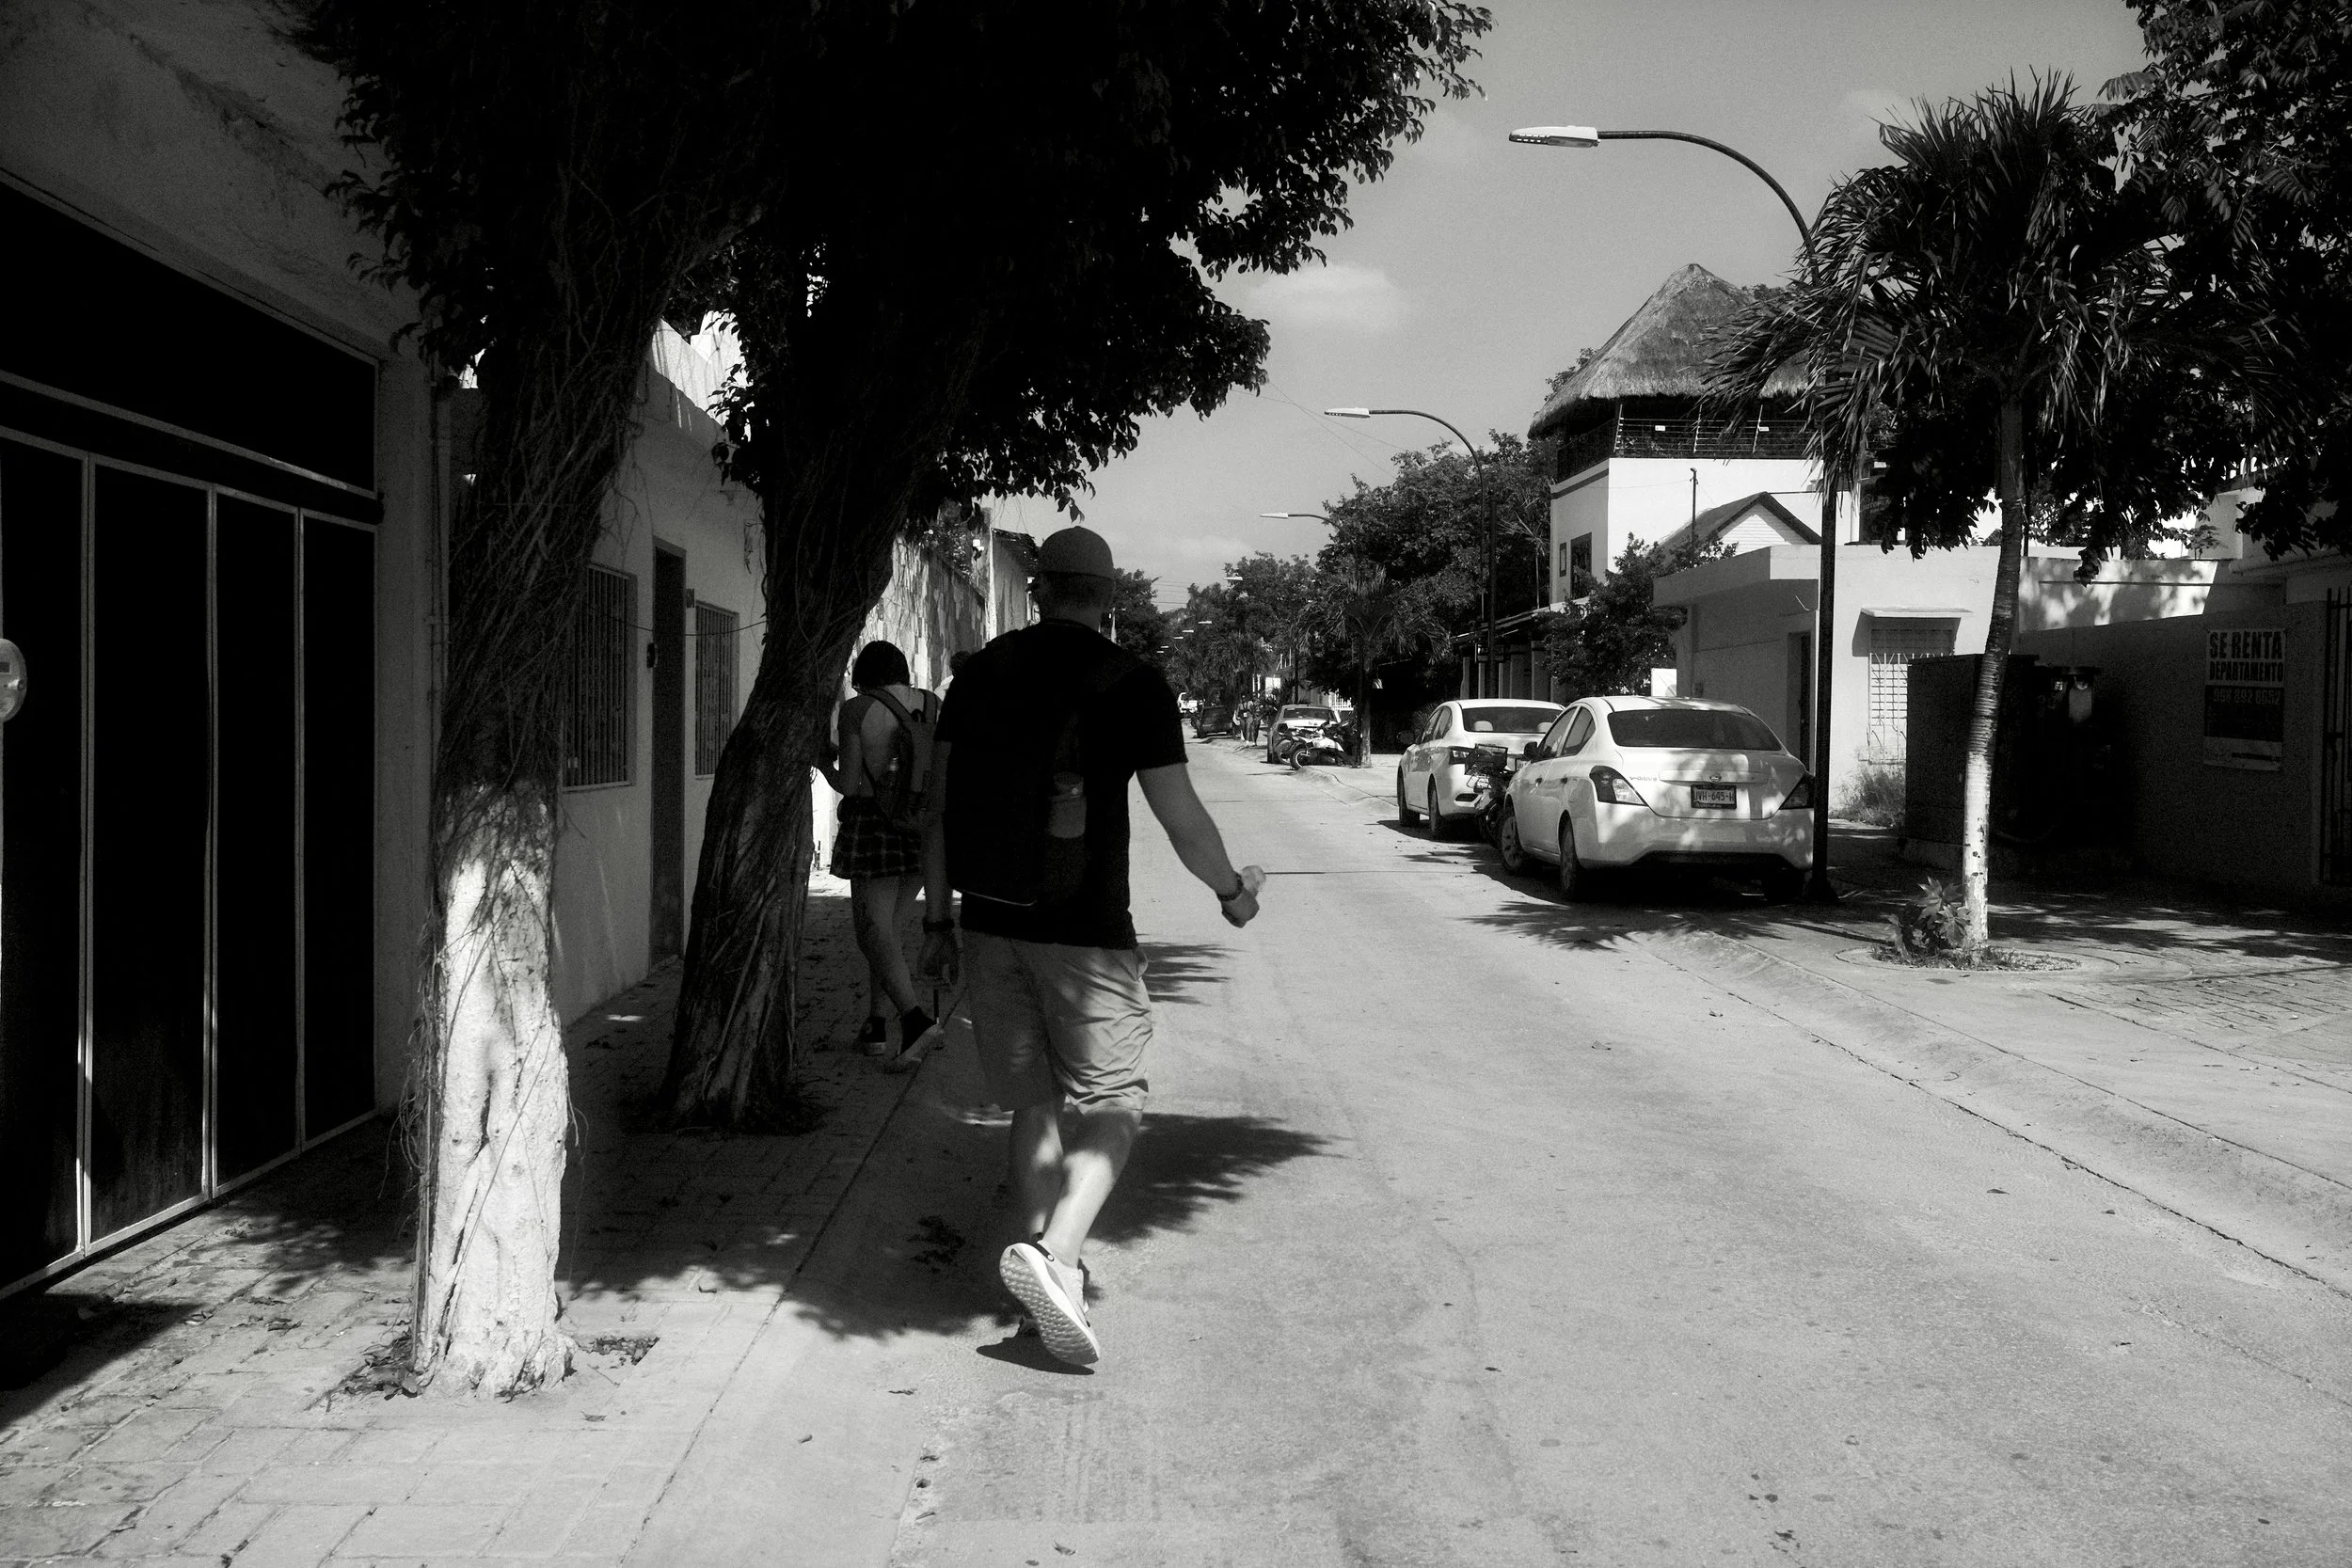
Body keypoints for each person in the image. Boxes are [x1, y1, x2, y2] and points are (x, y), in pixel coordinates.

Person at [919, 526, 1263, 1367]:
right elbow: (1182, 819)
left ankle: (1051, 1292)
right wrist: (1232, 890)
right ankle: (1058, 1253)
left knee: (1032, 1105)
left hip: (989, 918)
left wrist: (936, 919)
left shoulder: (981, 673)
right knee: (1114, 1097)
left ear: (1037, 588)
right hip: (1086, 932)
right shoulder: (1132, 683)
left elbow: (936, 805)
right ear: (1107, 597)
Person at [818, 640, 944, 1064]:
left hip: (876, 828)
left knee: (871, 932)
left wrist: (822, 763)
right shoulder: (932, 704)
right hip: (923, 827)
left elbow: (850, 786)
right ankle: (875, 1023)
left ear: (863, 674)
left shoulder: (856, 710)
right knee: (887, 931)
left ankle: (915, 1022)